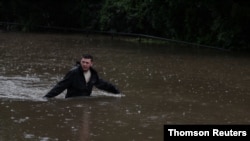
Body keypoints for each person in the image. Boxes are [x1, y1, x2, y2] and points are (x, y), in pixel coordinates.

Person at [43, 54, 120, 98]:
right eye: (83, 62)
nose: (84, 64)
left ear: (91, 64)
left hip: (85, 101)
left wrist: (117, 93)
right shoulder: (73, 73)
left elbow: (103, 85)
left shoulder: (93, 74)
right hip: (72, 101)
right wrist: (46, 97)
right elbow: (60, 86)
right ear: (80, 62)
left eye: (87, 63)